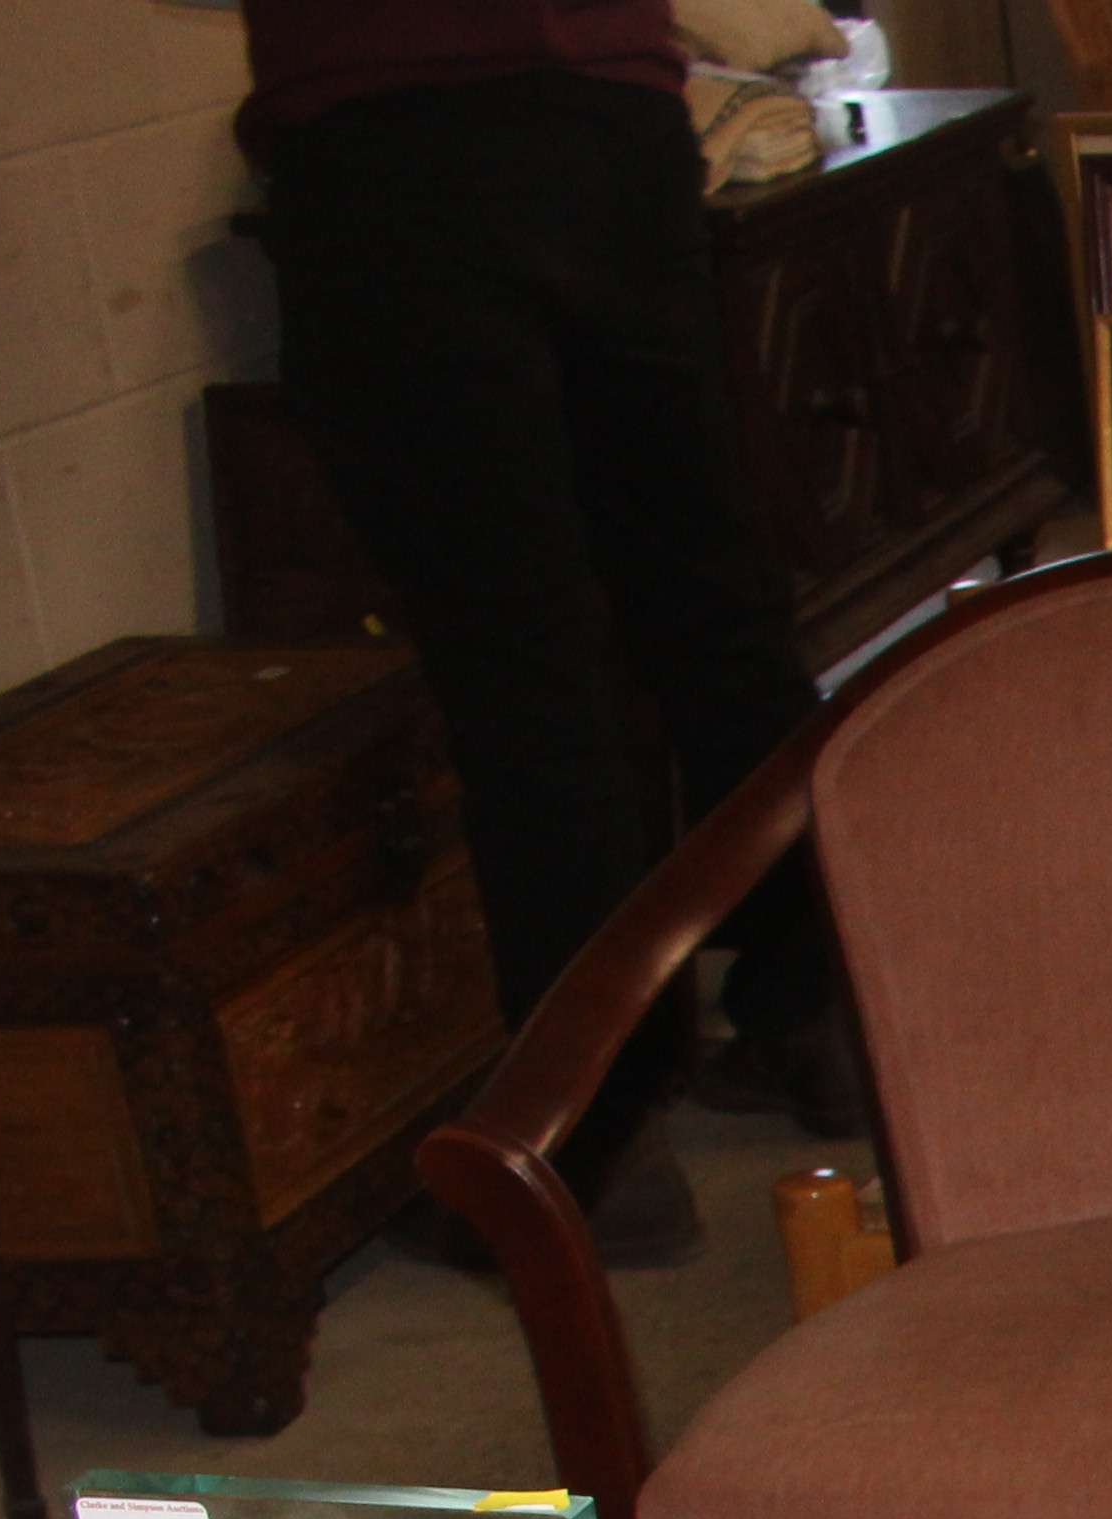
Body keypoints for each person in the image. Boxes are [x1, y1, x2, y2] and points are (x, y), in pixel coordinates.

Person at [239, 0, 864, 1268]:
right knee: (714, 610)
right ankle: (827, 1013)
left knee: (525, 670)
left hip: (396, 145)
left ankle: (593, 1133)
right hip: (611, 124)